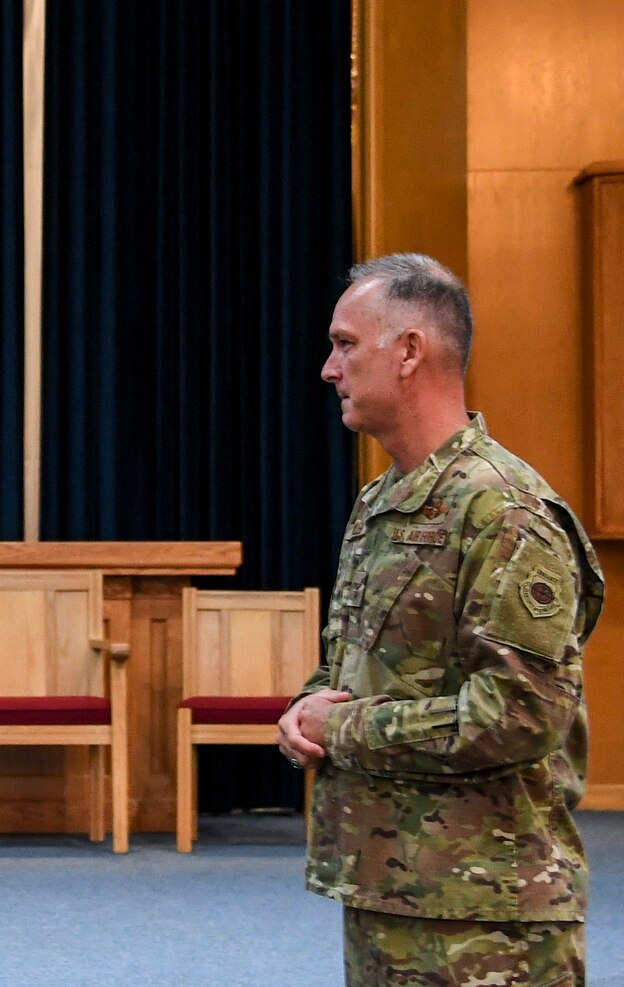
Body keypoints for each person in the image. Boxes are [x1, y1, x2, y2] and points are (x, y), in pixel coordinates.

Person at [279, 254, 604, 985]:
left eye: (345, 344)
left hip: (489, 914)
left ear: (410, 351)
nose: (329, 368)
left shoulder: (503, 510)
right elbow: (357, 666)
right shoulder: (381, 504)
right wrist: (307, 706)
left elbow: (520, 715)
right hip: (388, 891)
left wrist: (346, 727)